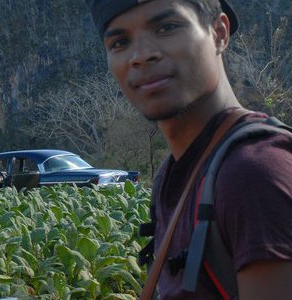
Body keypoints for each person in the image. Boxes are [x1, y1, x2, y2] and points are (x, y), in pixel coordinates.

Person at [85, 0, 292, 298]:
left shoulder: (252, 173)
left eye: (167, 27)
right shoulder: (172, 174)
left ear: (219, 32)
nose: (141, 56)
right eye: (120, 42)